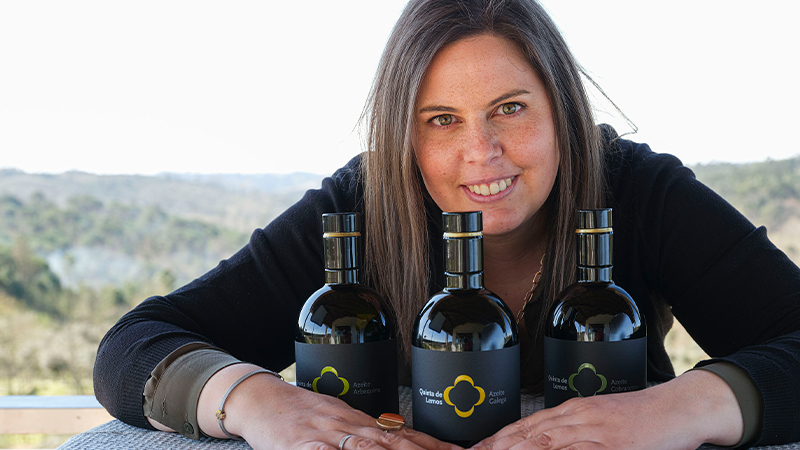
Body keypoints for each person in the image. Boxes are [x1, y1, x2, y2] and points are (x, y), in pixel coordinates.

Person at [94, 0, 800, 449]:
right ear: (404, 135)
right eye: (441, 120)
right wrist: (254, 401)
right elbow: (135, 344)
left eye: (510, 108)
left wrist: (677, 410)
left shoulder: (642, 192)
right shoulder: (361, 205)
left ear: (561, 108)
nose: (481, 152)